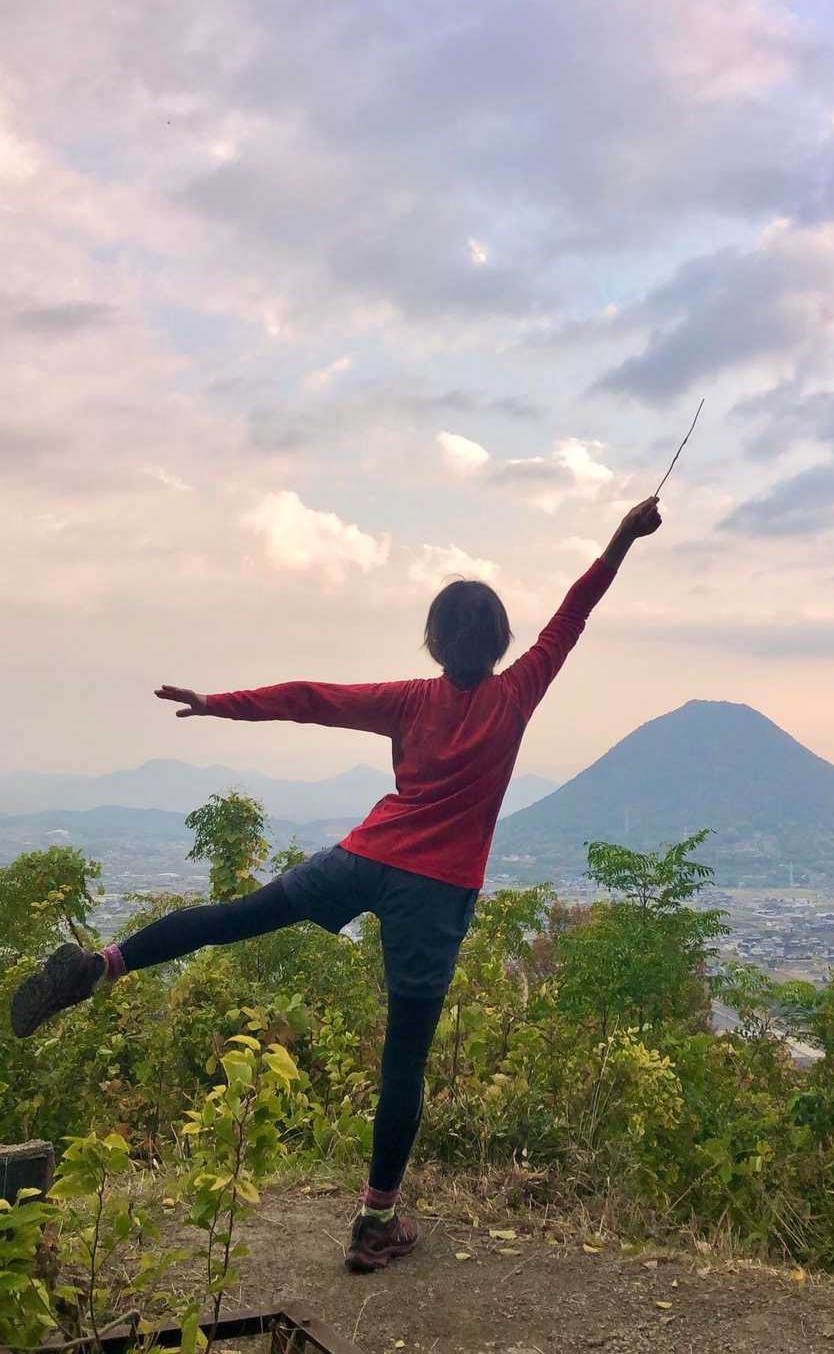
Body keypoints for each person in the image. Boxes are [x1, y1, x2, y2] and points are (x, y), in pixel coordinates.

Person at [9, 494, 663, 1272]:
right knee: (404, 1060)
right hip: (433, 894)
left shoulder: (407, 700)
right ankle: (375, 1221)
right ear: (501, 643)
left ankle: (103, 964)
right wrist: (624, 536)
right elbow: (575, 611)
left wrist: (218, 705)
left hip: (361, 857)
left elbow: (311, 700)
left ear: (433, 641)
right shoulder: (517, 692)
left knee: (232, 916)